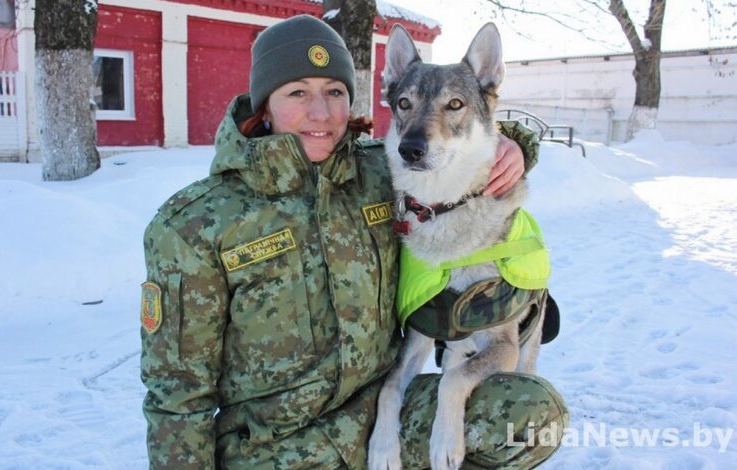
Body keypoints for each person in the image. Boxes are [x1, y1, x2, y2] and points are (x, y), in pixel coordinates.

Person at [140, 14, 567, 470]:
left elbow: (462, 155)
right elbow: (177, 392)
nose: (321, 113)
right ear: (264, 103)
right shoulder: (195, 224)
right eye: (298, 92)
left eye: (335, 93)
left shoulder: (382, 174)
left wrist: (517, 147)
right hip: (271, 449)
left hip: (379, 418)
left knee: (528, 412)